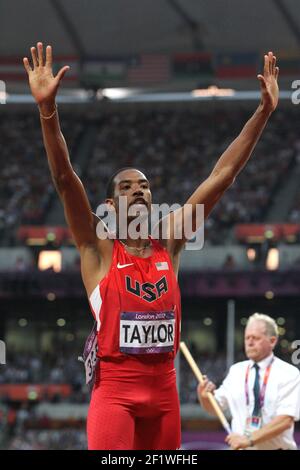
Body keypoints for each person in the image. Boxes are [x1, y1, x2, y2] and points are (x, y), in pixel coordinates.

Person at [23, 43, 279, 450]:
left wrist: (263, 112)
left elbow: (222, 176)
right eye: (127, 186)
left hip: (164, 393)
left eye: (144, 185)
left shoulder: (171, 240)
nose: (139, 190)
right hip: (116, 393)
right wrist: (47, 112)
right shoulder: (97, 247)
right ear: (109, 206)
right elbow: (63, 177)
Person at [198, 313, 300, 450]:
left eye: (256, 338)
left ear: (272, 341)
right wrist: (204, 396)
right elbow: (215, 408)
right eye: (247, 338)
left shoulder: (289, 373)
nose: (250, 342)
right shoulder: (236, 371)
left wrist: (248, 439)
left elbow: (285, 420)